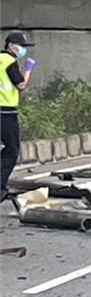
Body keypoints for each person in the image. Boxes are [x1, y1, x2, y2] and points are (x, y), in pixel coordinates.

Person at [1, 31, 34, 198]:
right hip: (6, 113)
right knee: (12, 150)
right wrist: (28, 70)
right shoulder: (9, 61)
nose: (22, 49)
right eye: (21, 46)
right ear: (11, 45)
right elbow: (21, 85)